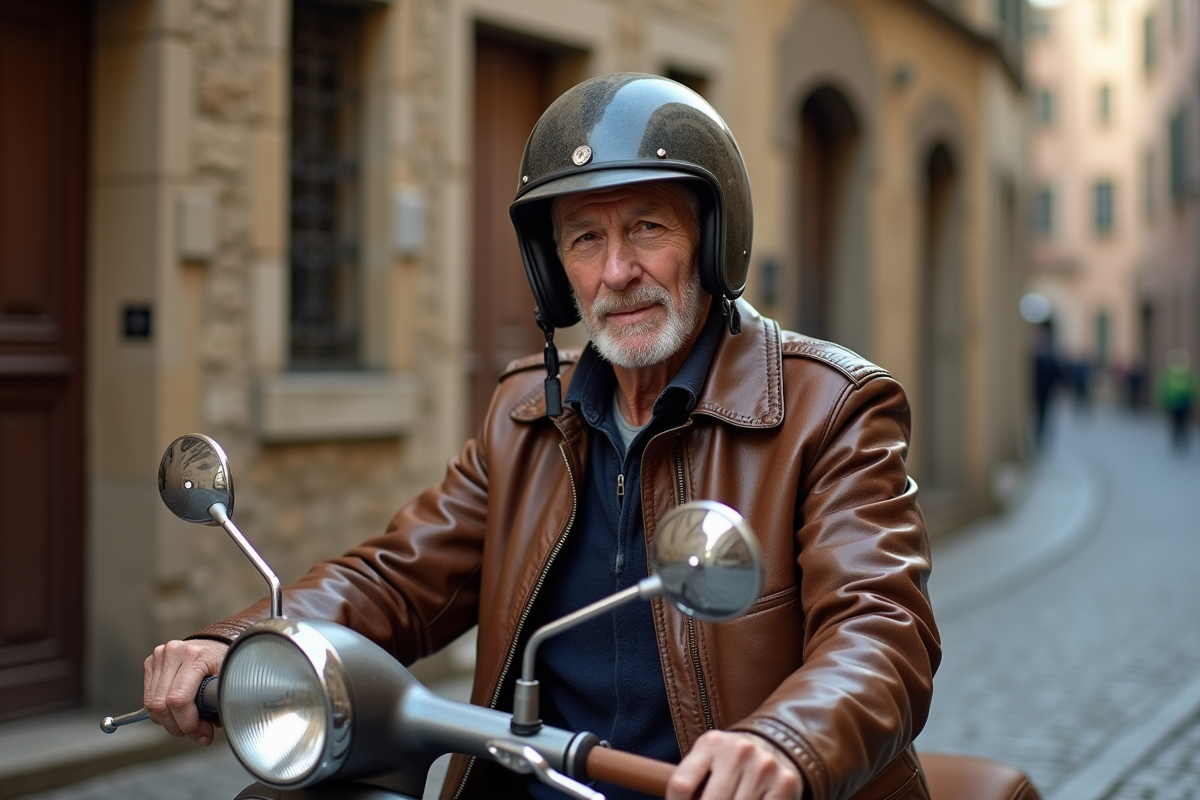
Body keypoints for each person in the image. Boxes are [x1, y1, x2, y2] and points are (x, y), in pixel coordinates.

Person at [144, 74, 939, 800]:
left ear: (712, 234)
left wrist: (785, 742)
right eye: (584, 239)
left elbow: (881, 630)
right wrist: (239, 638)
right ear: (555, 269)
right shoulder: (527, 411)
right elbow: (400, 578)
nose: (616, 270)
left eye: (647, 227)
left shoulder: (827, 406)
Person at [1157, 348, 1197, 452]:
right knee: (1184, 422)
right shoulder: (1187, 372)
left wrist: (1162, 401)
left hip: (1173, 402)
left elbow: (1164, 387)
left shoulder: (1170, 372)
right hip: (1185, 401)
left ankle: (1175, 440)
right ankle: (1184, 439)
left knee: (1174, 422)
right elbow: (1193, 387)